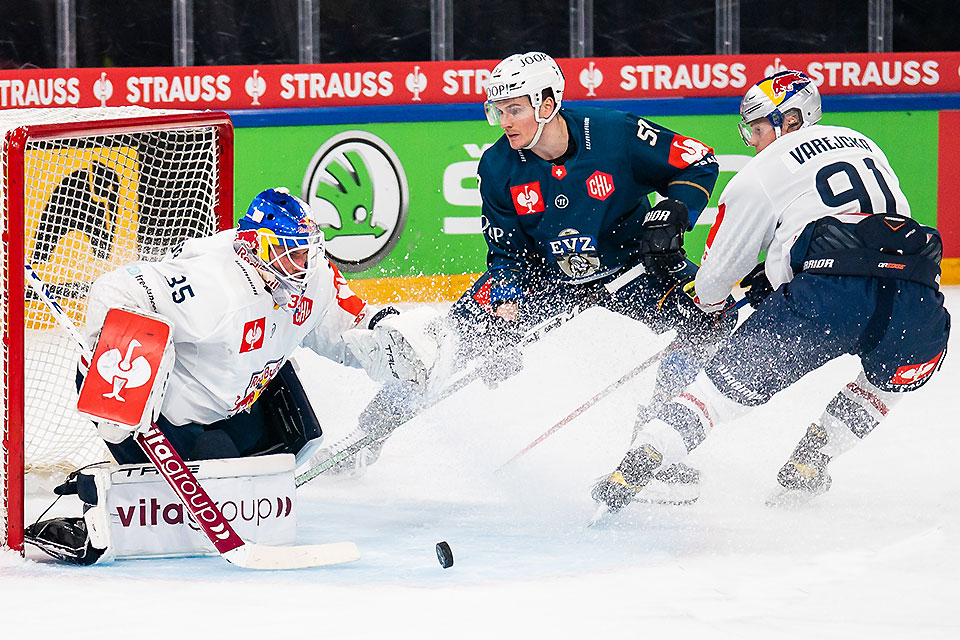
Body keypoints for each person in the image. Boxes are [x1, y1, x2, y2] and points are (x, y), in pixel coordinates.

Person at [592, 70, 950, 514]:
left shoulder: (760, 173)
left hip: (826, 300)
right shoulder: (864, 143)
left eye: (759, 127)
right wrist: (782, 274)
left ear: (792, 120)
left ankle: (644, 456)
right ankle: (813, 458)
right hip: (917, 299)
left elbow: (715, 278)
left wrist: (713, 308)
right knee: (893, 379)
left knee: (715, 396)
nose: (755, 141)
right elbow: (875, 230)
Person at [24, 187, 434, 562]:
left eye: (307, 251)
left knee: (294, 444)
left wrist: (391, 341)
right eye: (293, 252)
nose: (305, 264)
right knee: (217, 465)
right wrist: (128, 370)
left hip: (231, 401)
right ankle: (105, 503)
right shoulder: (213, 287)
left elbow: (341, 322)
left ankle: (194, 483)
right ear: (257, 247)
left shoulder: (308, 279)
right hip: (161, 415)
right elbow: (116, 290)